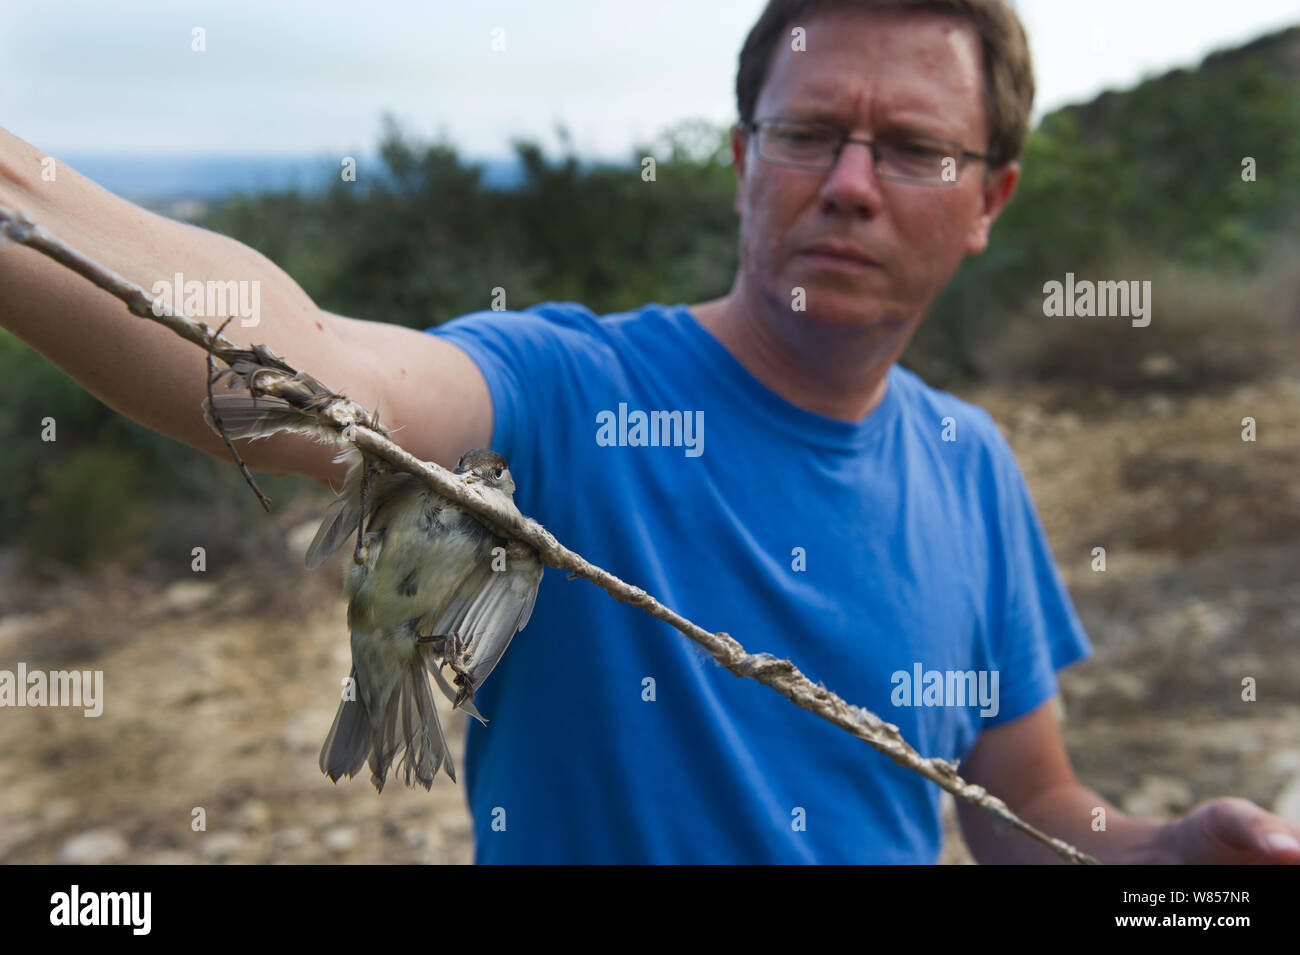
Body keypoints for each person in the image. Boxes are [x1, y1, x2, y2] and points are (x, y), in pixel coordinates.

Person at [1, 0, 1297, 863]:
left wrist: (1157, 855)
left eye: (910, 148)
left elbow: (1024, 807)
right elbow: (317, 376)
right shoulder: (572, 388)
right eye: (808, 134)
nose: (847, 185)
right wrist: (17, 191)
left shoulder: (974, 465)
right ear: (744, 158)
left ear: (990, 199)